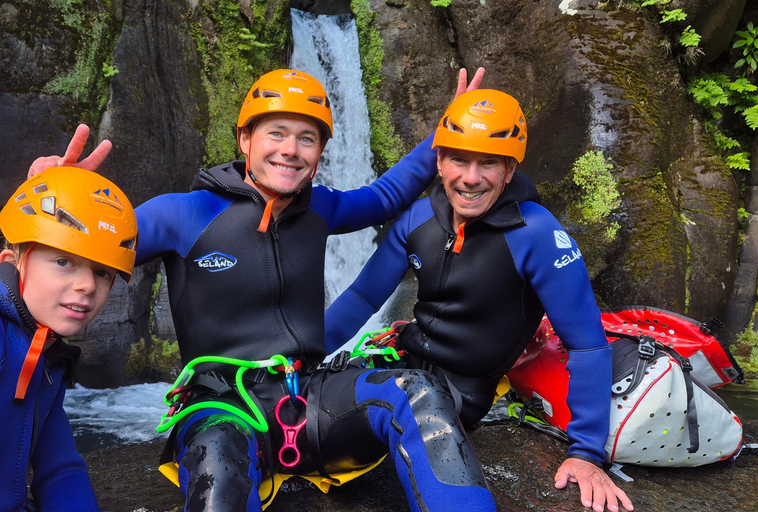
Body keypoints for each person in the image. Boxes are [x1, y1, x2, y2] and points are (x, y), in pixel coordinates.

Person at [29, 68, 501, 511]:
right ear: (245, 139)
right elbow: (92, 247)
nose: (290, 150)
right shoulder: (182, 214)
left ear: (320, 152)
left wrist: (447, 135)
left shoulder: (321, 210)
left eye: (307, 138)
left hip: (309, 397)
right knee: (218, 454)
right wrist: (54, 198)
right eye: (276, 133)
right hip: (220, 404)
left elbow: (383, 198)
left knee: (415, 390)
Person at [325, 89, 635, 512]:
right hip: (404, 361)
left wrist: (585, 454)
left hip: (461, 390)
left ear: (509, 169)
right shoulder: (418, 218)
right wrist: (298, 353)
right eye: (459, 159)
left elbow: (587, 343)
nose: (471, 178)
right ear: (439, 162)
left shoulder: (537, 234)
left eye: (488, 162)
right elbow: (361, 298)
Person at [1, 166, 138, 511]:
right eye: (64, 261)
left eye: (102, 272)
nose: (88, 286)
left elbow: (60, 470)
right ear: (11, 263)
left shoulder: (48, 361)